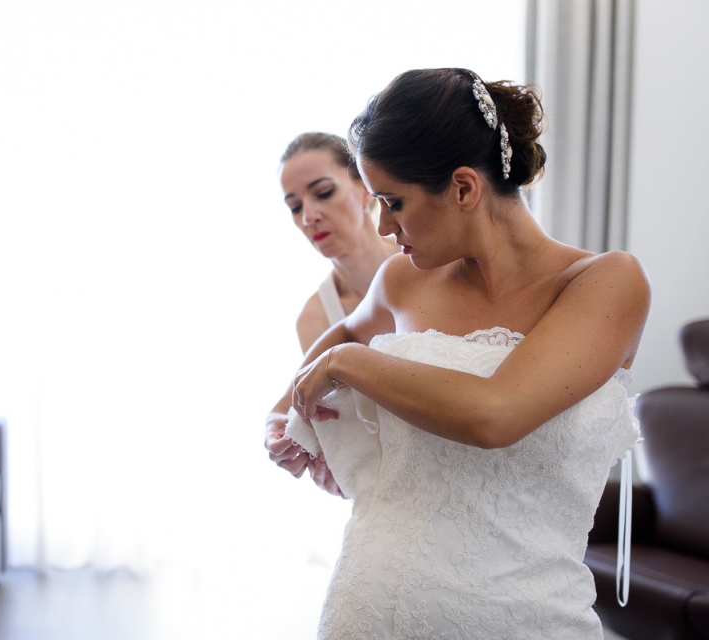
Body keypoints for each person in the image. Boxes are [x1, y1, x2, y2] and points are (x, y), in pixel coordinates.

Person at [264, 68, 650, 638]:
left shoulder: (605, 282)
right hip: (369, 609)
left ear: (465, 188)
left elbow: (494, 414)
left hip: (529, 619)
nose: (385, 225)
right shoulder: (401, 281)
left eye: (393, 202)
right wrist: (284, 420)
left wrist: (350, 365)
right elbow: (341, 337)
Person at [279, 133, 400, 354]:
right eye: (295, 207)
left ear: (366, 189)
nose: (308, 217)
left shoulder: (428, 256)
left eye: (323, 193)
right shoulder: (314, 319)